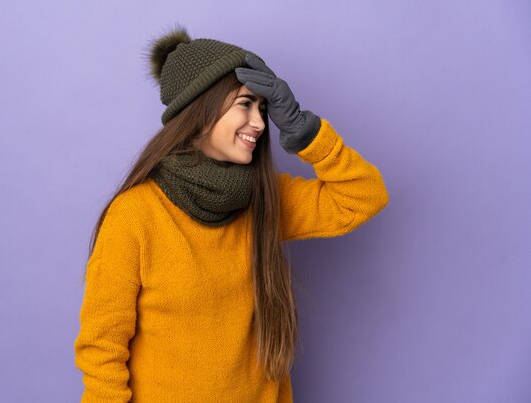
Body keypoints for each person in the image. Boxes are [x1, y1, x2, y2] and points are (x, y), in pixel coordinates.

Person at [73, 24, 389, 403]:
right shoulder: (135, 215)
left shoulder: (265, 199)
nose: (259, 123)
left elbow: (364, 195)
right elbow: (102, 349)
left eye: (264, 107)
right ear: (201, 111)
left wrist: (304, 131)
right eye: (245, 104)